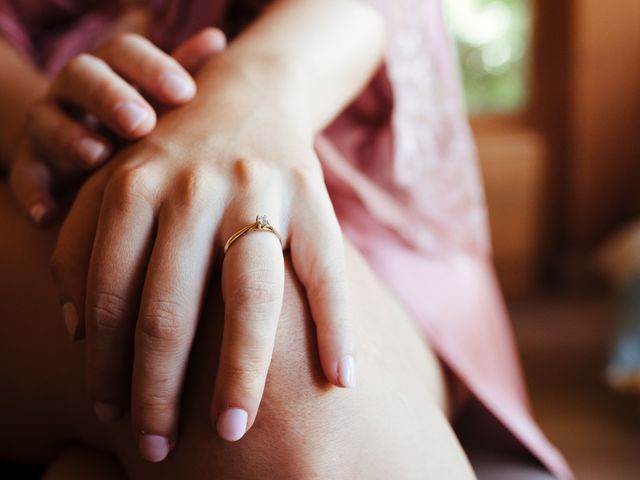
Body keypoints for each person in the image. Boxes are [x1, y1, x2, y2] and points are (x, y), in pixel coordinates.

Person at [0, 0, 573, 478]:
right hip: (44, 156)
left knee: (258, 328)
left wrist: (247, 95)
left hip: (356, 176)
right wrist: (61, 128)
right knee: (221, 323)